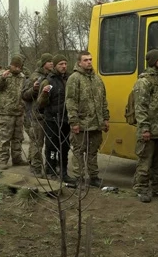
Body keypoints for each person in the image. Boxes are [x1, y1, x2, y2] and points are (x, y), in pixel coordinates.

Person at [132, 49, 158, 203]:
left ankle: (157, 187)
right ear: (153, 61)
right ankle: (141, 188)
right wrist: (145, 128)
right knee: (145, 161)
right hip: (149, 129)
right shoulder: (144, 81)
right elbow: (140, 108)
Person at [66, 51, 110, 186]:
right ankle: (79, 177)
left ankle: (94, 176)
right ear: (79, 62)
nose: (89, 62)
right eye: (85, 60)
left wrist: (106, 119)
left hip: (96, 123)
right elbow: (71, 101)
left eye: (90, 59)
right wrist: (74, 122)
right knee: (79, 151)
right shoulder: (74, 78)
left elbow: (103, 100)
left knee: (93, 152)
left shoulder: (97, 79)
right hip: (81, 122)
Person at [37, 54, 77, 184]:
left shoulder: (70, 79)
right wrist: (44, 93)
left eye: (65, 63)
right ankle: (51, 170)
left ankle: (63, 172)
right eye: (61, 64)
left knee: (65, 147)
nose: (64, 66)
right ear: (55, 66)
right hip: (52, 120)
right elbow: (40, 104)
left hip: (66, 119)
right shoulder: (48, 81)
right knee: (52, 147)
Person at [0, 56, 28, 169]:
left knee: (18, 137)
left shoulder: (22, 77)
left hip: (19, 111)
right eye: (15, 66)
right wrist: (2, 78)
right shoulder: (4, 74)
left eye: (19, 66)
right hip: (6, 112)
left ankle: (17, 158)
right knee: (5, 138)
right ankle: (3, 160)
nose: (17, 68)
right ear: (11, 65)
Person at [22, 53, 53, 177]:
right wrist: (34, 90)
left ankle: (50, 165)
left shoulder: (51, 77)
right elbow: (24, 95)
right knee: (37, 143)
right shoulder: (35, 77)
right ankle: (35, 167)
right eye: (49, 61)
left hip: (50, 115)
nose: (51, 63)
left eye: (52, 61)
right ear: (44, 63)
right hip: (36, 115)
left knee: (50, 144)